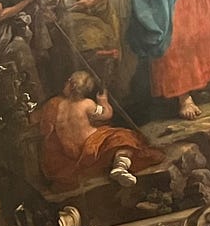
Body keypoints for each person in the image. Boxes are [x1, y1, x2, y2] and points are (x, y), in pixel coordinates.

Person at [32, 70, 163, 189]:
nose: (64, 84)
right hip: (91, 146)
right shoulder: (87, 104)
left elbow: (37, 120)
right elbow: (106, 114)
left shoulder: (55, 104)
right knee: (123, 137)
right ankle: (120, 166)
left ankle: (119, 168)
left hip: (71, 154)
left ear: (71, 85)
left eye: (67, 81)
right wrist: (103, 101)